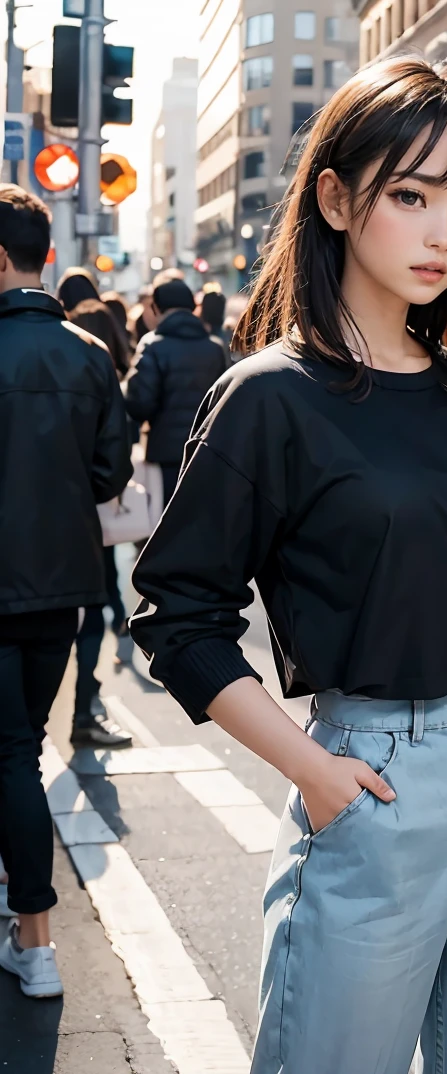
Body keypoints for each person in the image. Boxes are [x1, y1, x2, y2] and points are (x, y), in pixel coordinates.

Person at [129, 58, 447, 1074]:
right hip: (383, 780)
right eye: (412, 196)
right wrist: (310, 768)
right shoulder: (271, 398)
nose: (446, 235)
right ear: (337, 199)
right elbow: (176, 612)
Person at [0, 185, 131, 996]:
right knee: (19, 743)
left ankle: (36, 939)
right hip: (60, 586)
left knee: (11, 752)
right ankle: (31, 934)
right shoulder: (88, 354)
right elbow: (110, 473)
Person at [66, 300, 134, 746]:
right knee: (94, 605)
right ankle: (83, 708)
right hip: (83, 523)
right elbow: (113, 465)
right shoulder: (91, 358)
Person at [124, 277, 230, 505]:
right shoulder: (214, 347)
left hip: (165, 454)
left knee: (166, 523)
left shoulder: (152, 345)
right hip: (208, 450)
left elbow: (139, 403)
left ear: (157, 308)